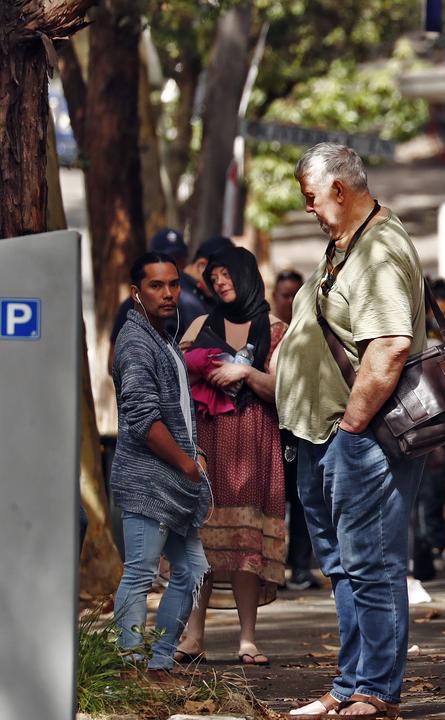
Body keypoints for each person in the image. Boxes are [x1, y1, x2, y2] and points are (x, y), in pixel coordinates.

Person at [276, 143, 430, 719]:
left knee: (372, 564)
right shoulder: (345, 244)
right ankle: (351, 683)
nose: (309, 208)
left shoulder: (380, 249)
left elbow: (389, 348)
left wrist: (350, 427)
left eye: (311, 197)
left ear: (339, 189)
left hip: (358, 437)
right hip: (322, 435)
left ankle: (375, 690)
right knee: (344, 566)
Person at [174, 247, 287, 666]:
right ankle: (194, 635)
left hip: (254, 441)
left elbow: (282, 391)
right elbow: (176, 377)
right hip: (207, 440)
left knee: (246, 543)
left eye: (226, 274)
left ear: (246, 275)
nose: (219, 282)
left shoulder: (277, 330)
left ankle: (247, 639)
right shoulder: (202, 324)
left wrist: (246, 372)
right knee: (201, 538)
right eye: (214, 276)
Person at [110, 253, 211, 677]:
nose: (169, 293)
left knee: (191, 571)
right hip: (146, 482)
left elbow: (181, 411)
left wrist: (196, 454)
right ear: (137, 293)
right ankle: (131, 667)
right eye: (156, 285)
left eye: (173, 284)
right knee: (140, 573)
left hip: (176, 483)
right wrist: (187, 465)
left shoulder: (163, 336)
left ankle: (160, 662)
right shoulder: (135, 342)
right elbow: (142, 419)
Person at [271, 269, 320, 592]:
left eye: (294, 294)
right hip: (272, 429)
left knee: (302, 500)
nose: (289, 300)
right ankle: (274, 568)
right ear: (275, 297)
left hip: (303, 428)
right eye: (284, 294)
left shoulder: (310, 331)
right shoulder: (269, 331)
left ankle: (301, 566)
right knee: (275, 502)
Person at [109, 230, 208, 354]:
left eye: (178, 258)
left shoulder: (195, 300)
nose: (167, 294)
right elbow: (112, 359)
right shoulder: (132, 310)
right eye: (156, 286)